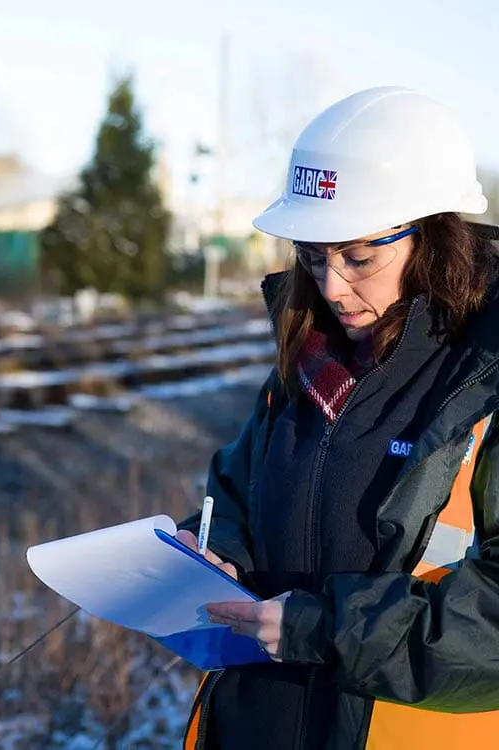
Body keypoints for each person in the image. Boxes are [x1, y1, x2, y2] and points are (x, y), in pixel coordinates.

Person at [173, 85, 499, 750]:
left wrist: (320, 628)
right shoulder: (305, 366)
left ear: (438, 237)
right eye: (313, 255)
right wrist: (211, 552)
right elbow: (233, 493)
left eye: (359, 257)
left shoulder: (484, 387)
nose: (330, 285)